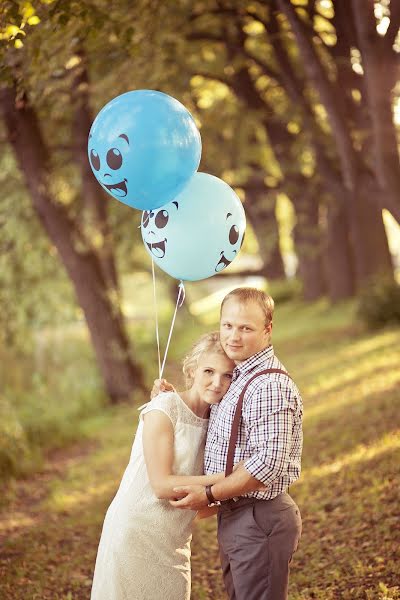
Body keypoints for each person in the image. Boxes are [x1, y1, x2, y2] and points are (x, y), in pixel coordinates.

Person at [166, 287, 303, 600]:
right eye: (227, 325)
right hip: (236, 513)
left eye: (246, 328)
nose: (234, 336)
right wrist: (171, 397)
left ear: (268, 330)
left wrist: (210, 493)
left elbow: (267, 464)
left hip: (259, 514)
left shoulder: (268, 385)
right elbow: (212, 413)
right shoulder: (237, 373)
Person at [90, 332, 235, 600]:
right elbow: (161, 485)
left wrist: (230, 493)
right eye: (208, 371)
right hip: (135, 530)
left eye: (227, 375)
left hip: (174, 540)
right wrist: (230, 478)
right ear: (191, 370)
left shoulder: (218, 420)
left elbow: (199, 505)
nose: (217, 383)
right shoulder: (164, 408)